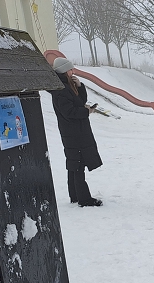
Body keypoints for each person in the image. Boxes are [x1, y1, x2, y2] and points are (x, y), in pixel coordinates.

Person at [48, 57, 103, 207]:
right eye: (71, 69)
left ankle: (75, 196)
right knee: (78, 164)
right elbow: (69, 111)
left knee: (74, 164)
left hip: (74, 132)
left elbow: (79, 102)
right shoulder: (61, 90)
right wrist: (86, 112)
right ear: (65, 71)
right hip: (74, 133)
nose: (73, 72)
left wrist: (80, 87)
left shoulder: (66, 86)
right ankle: (84, 199)